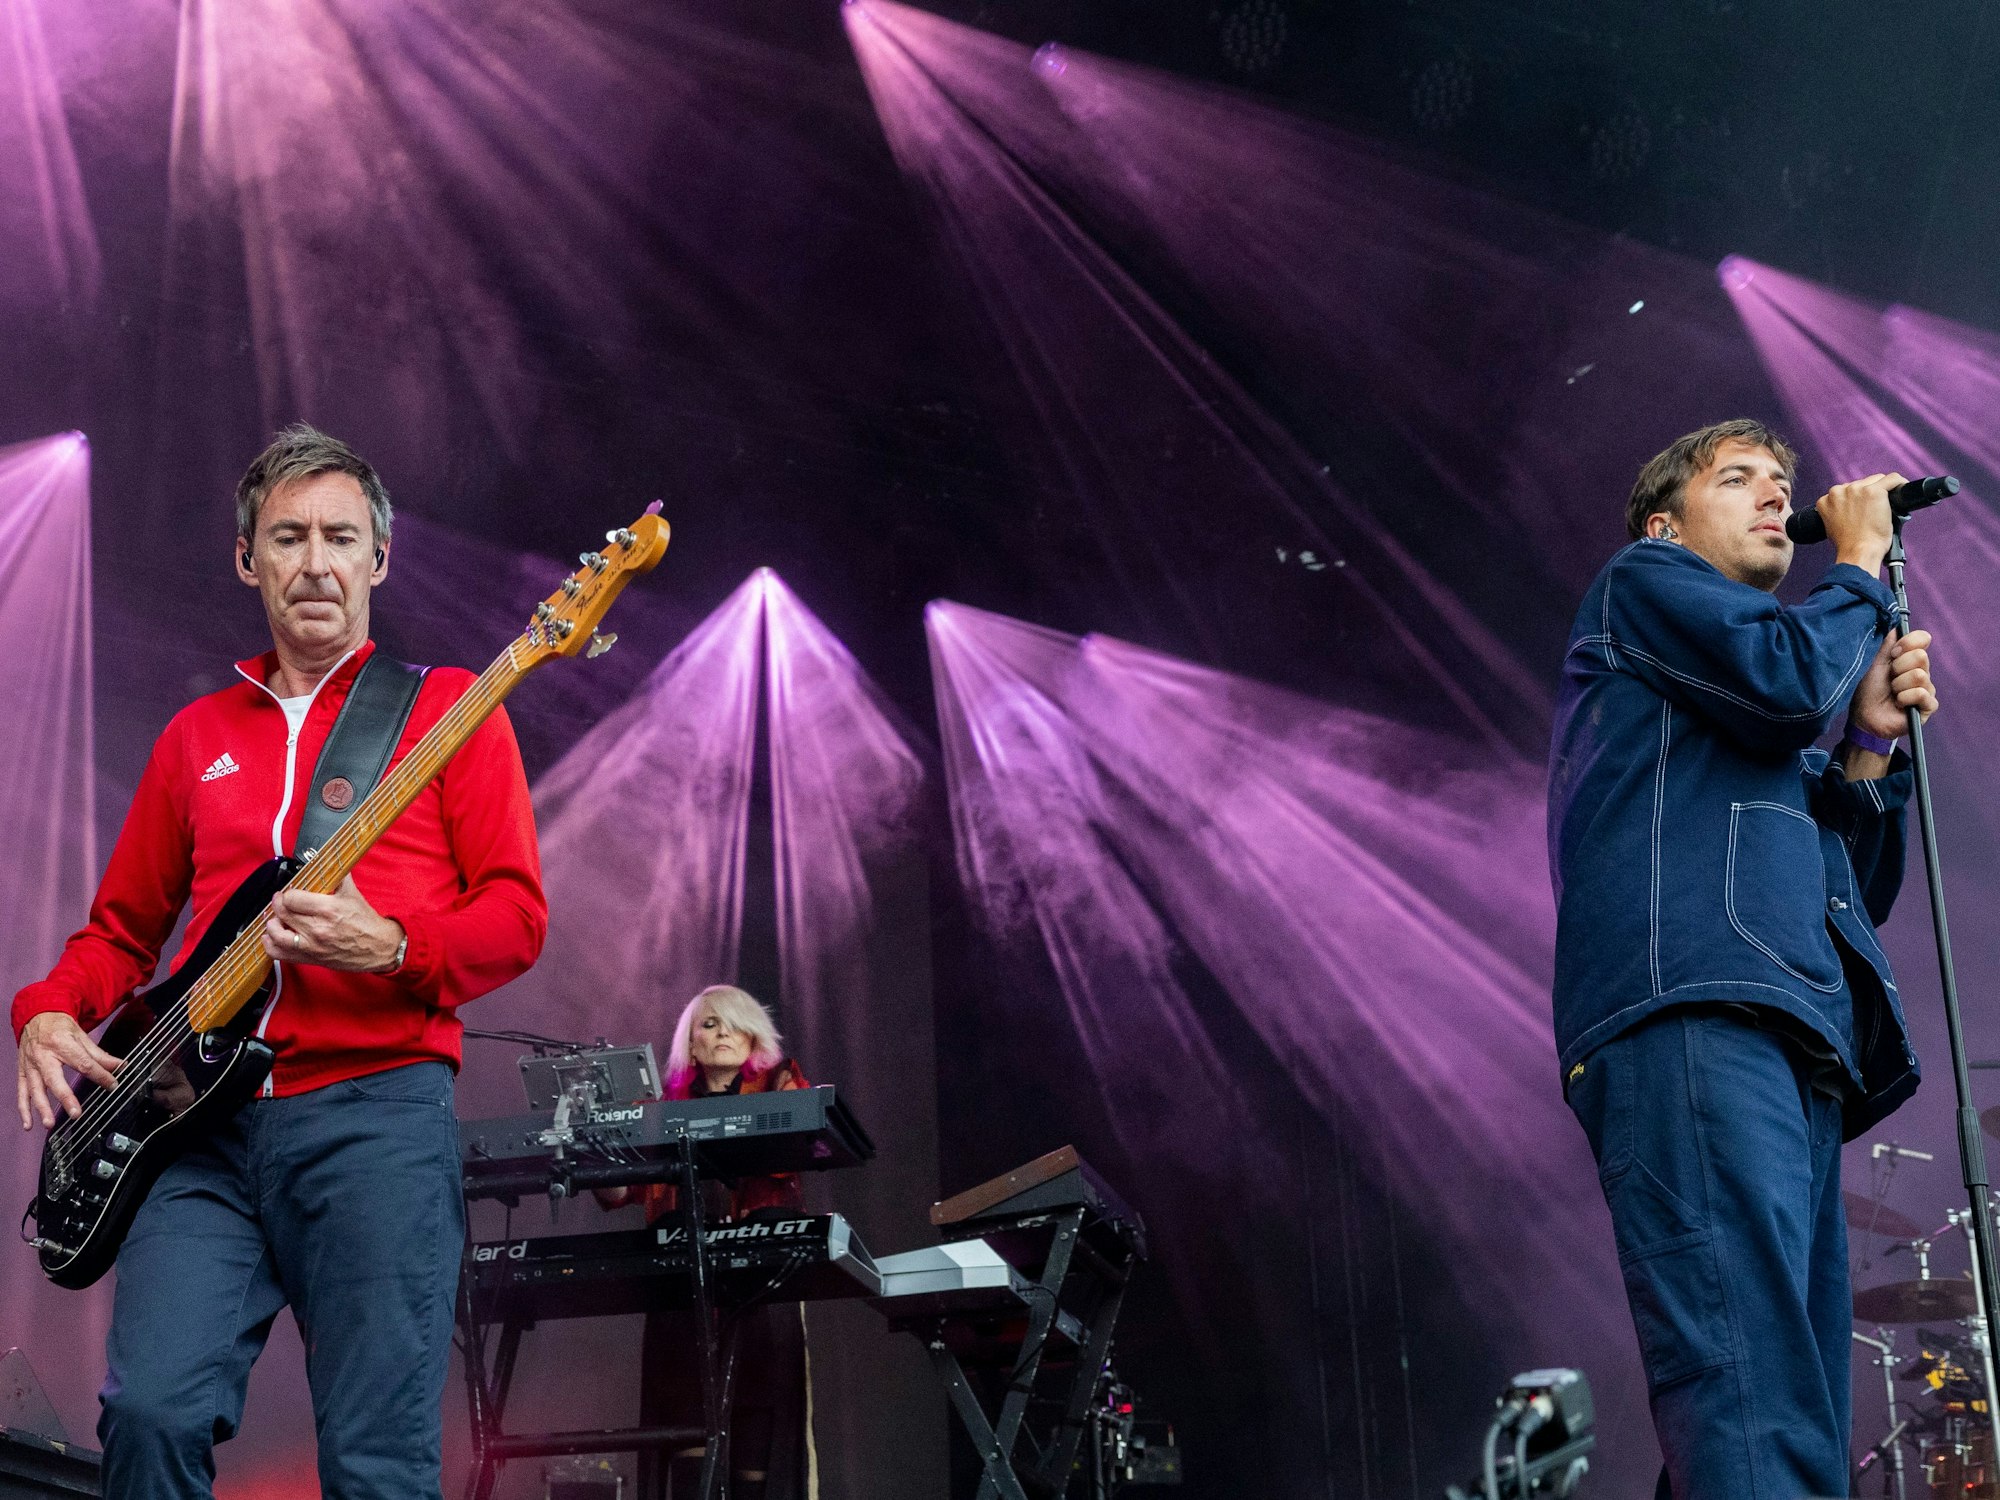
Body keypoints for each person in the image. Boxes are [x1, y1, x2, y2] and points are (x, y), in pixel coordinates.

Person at [10, 424, 548, 1499]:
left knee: (376, 1460)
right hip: (197, 1133)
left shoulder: (449, 711)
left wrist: (393, 944)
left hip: (375, 1118)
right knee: (150, 1412)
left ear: (378, 560)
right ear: (248, 558)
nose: (315, 561)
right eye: (288, 536)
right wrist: (45, 1012)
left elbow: (516, 917)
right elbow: (121, 930)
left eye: (340, 537)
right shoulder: (195, 735)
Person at [1548, 418, 1939, 1497]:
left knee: (1782, 1394)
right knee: (1749, 1397)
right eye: (1740, 480)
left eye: (1782, 482)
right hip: (1691, 1015)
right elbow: (1780, 687)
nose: (1778, 497)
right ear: (1663, 523)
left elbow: (1846, 897)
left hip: (1778, 1034)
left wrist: (1865, 745)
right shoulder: (1643, 579)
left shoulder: (1726, 708)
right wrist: (1855, 564)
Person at [598, 985, 810, 1500]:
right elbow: (620, 1191)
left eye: (733, 1024)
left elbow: (790, 1153)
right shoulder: (658, 1107)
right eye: (709, 1024)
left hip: (759, 1283)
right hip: (682, 1290)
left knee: (759, 1427)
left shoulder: (783, 1085)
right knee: (687, 1432)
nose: (721, 1034)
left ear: (754, 1038)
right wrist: (594, 1137)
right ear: (691, 1045)